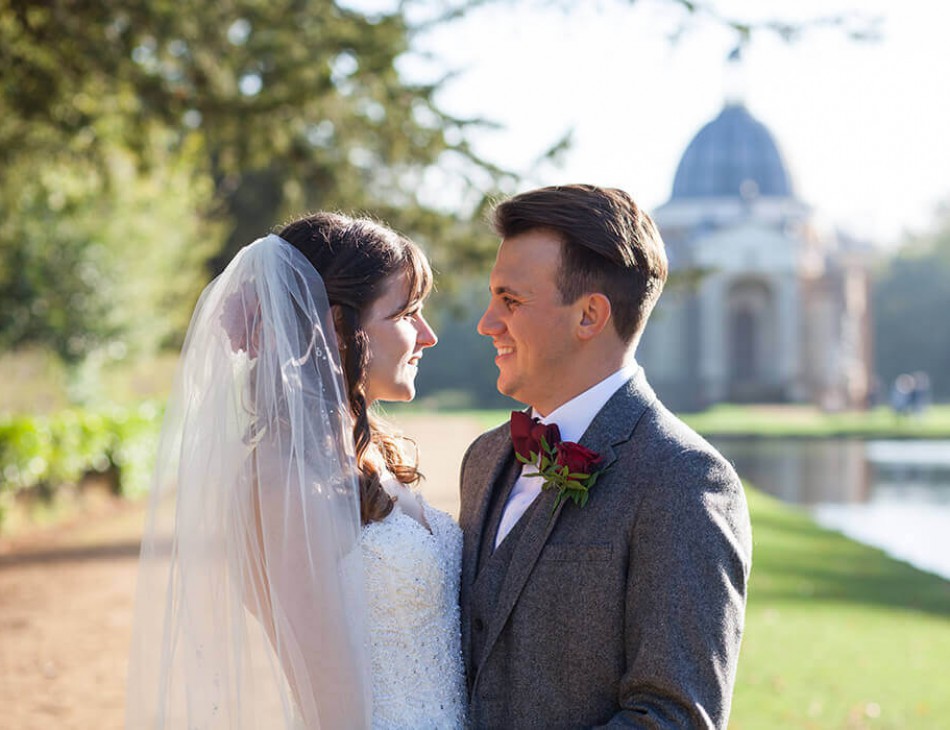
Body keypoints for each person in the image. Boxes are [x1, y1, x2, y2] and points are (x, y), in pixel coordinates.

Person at [125, 213, 467, 728]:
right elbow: (333, 703)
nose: (428, 335)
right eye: (406, 313)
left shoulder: (369, 453)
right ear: (336, 326)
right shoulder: (282, 482)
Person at [459, 184, 753, 728]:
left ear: (590, 316)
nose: (487, 323)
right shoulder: (484, 458)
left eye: (510, 300)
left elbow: (674, 716)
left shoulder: (684, 479)